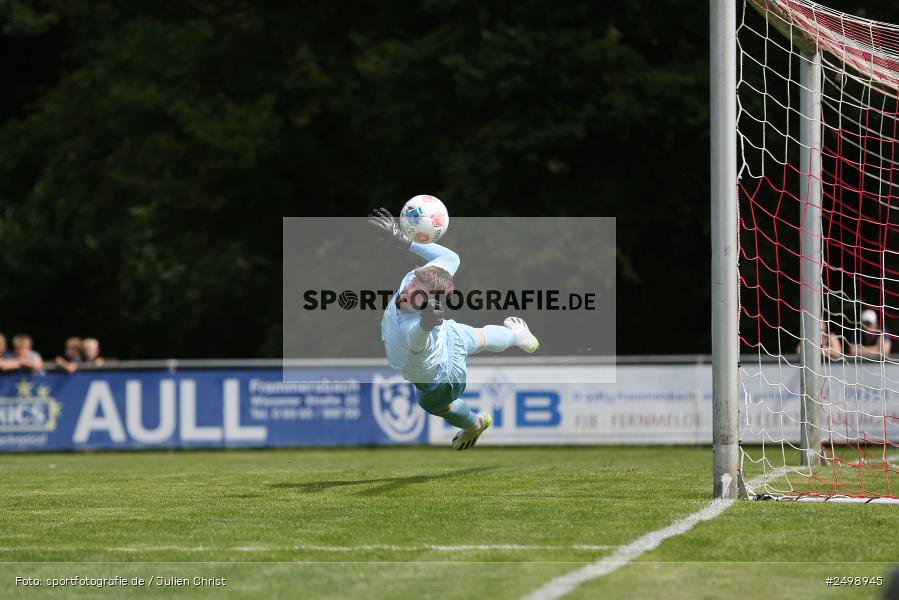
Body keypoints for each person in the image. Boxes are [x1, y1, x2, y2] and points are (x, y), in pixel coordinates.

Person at [369, 207, 539, 451]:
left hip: (441, 378)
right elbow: (452, 259)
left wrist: (425, 325)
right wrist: (402, 240)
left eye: (418, 291)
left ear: (428, 303)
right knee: (480, 336)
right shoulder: (417, 280)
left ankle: (475, 423)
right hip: (451, 336)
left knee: (435, 405)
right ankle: (517, 335)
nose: (409, 288)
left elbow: (415, 341)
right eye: (414, 280)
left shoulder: (411, 327)